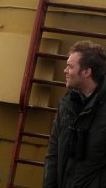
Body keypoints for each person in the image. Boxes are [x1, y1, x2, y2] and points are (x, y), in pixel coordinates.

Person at [43, 40, 106, 187]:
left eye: (70, 67)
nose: (65, 71)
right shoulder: (66, 104)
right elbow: (53, 153)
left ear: (86, 72)